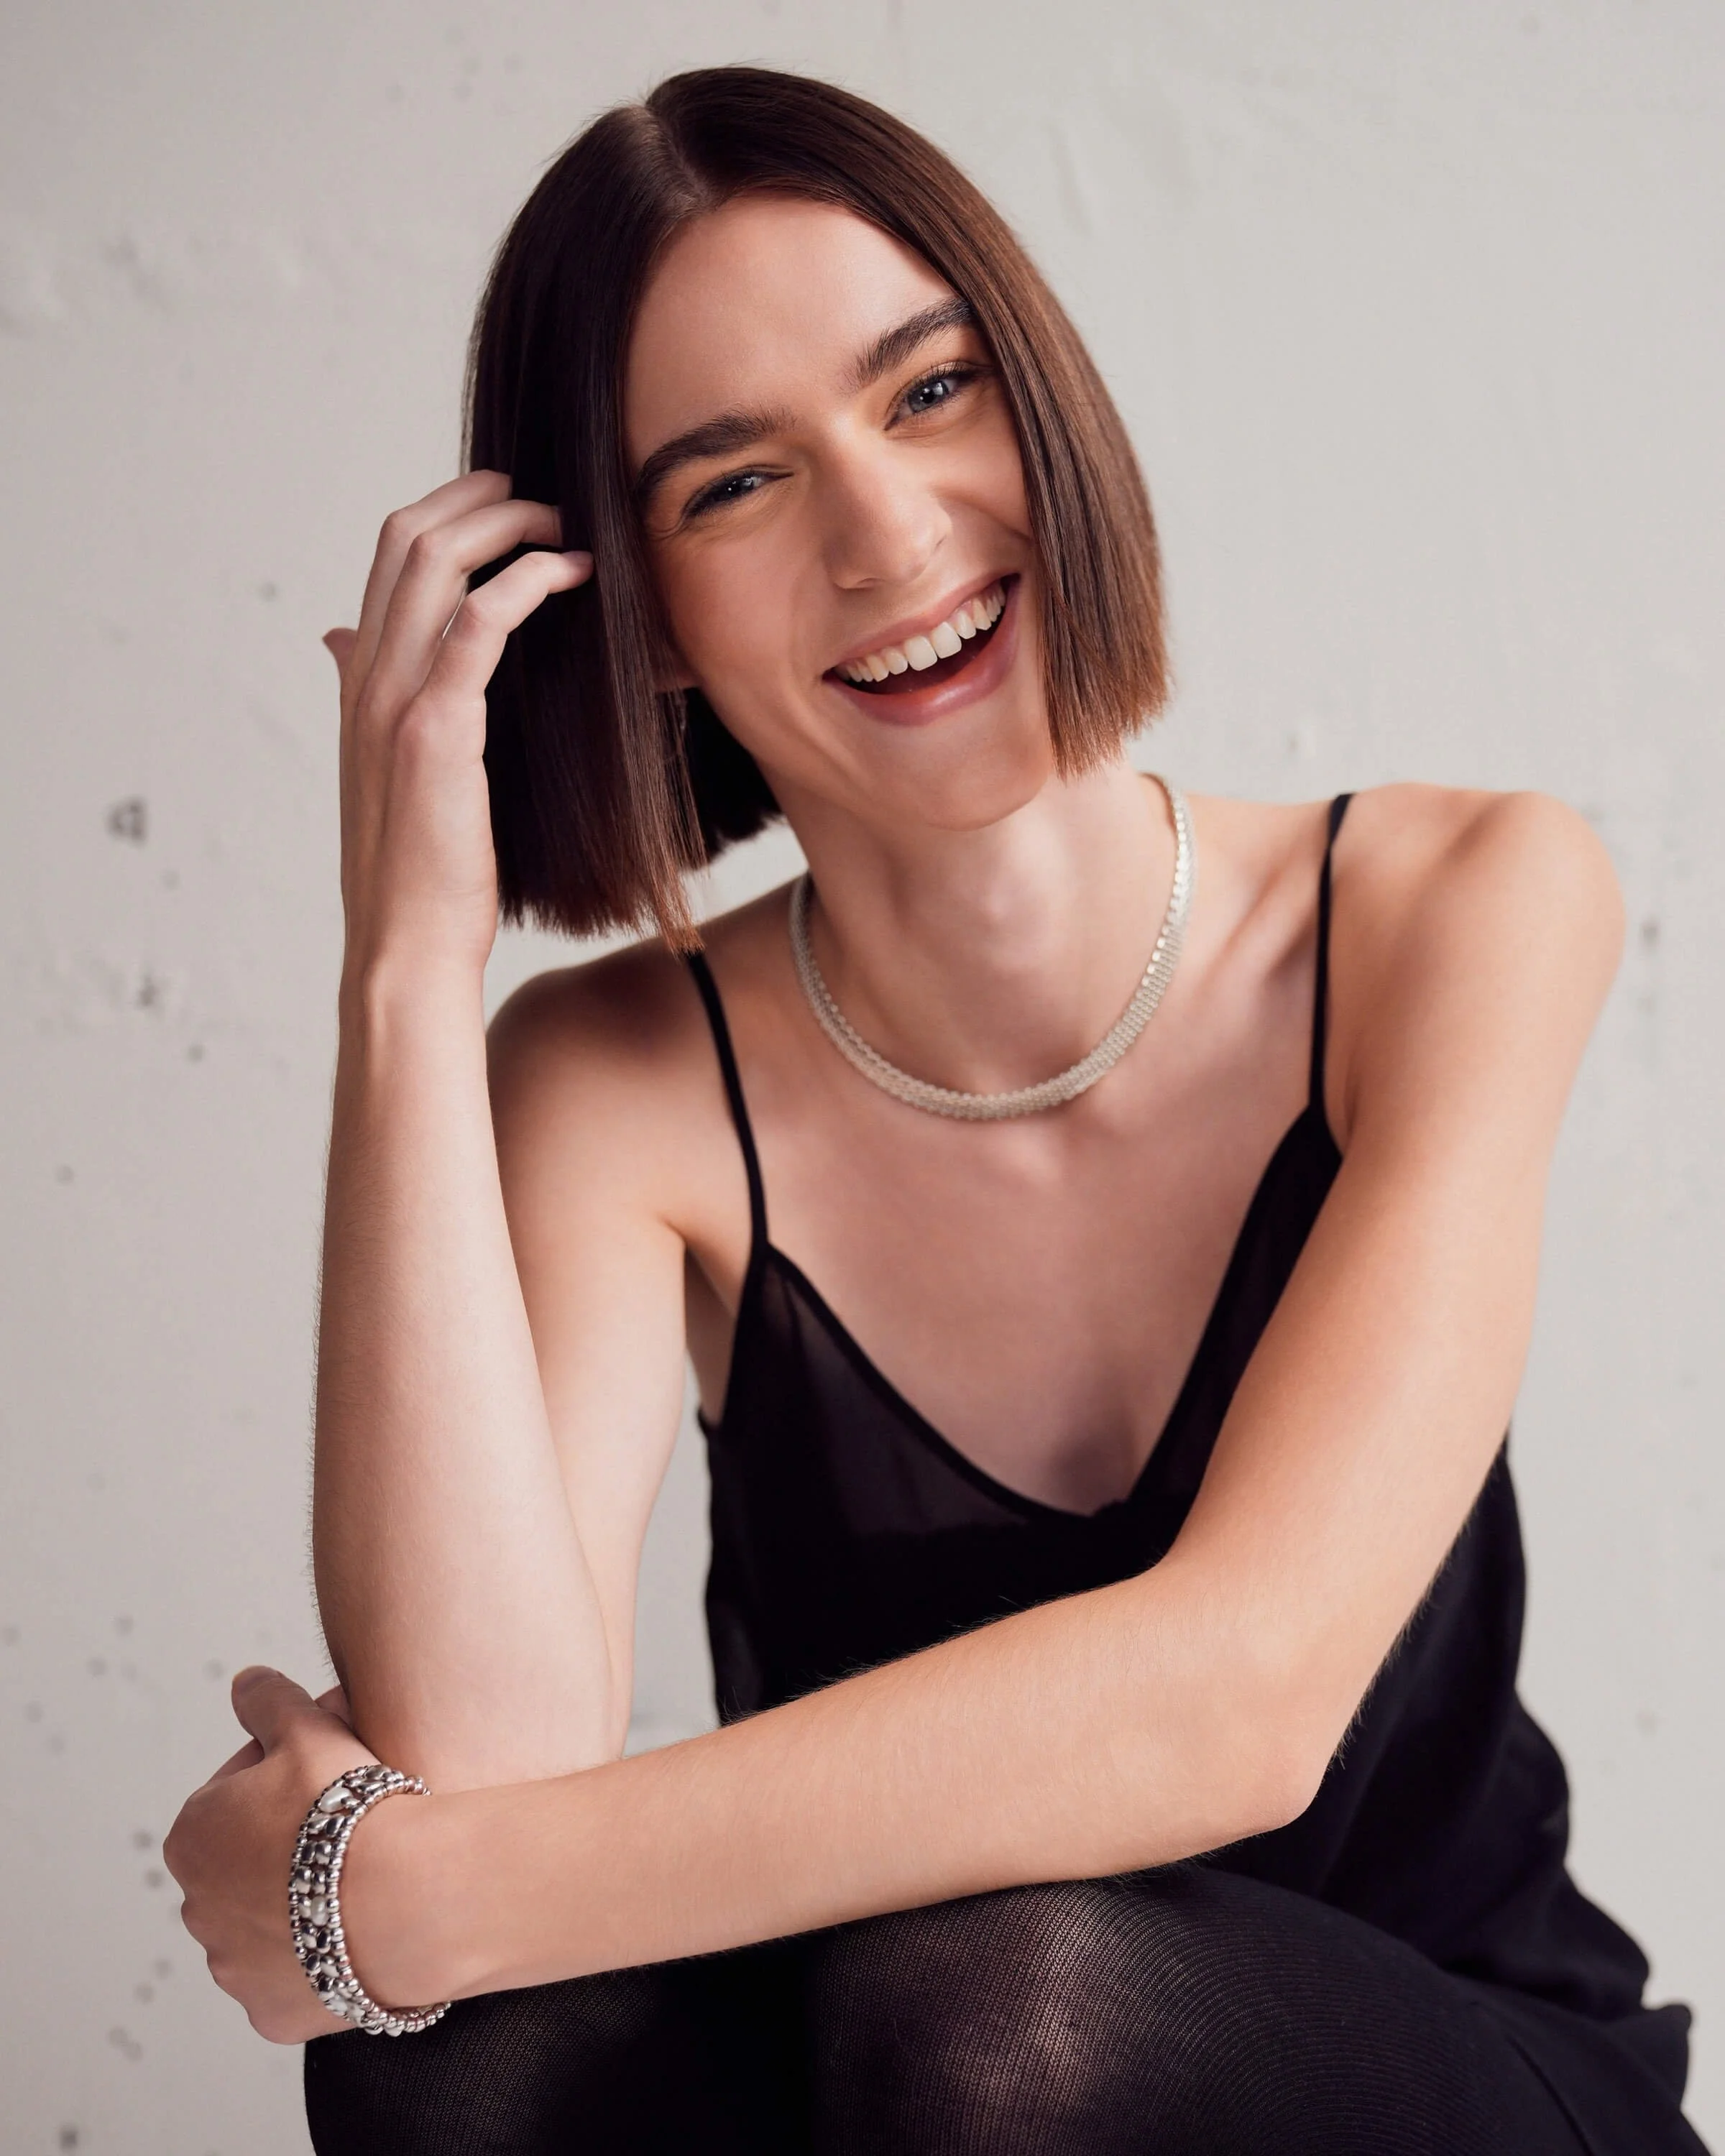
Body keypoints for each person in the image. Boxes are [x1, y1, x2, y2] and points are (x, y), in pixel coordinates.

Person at [163, 65, 1710, 2155]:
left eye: (926, 393)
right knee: (464, 2066)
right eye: (732, 487)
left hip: (1445, 2074)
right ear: (644, 614)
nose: (889, 538)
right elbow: (483, 1747)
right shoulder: (615, 1080)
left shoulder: (1457, 905)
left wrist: (384, 1895)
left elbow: (1239, 1700)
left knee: (1001, 1989)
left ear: (1044, 404)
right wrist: (405, 973)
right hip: (908, 2090)